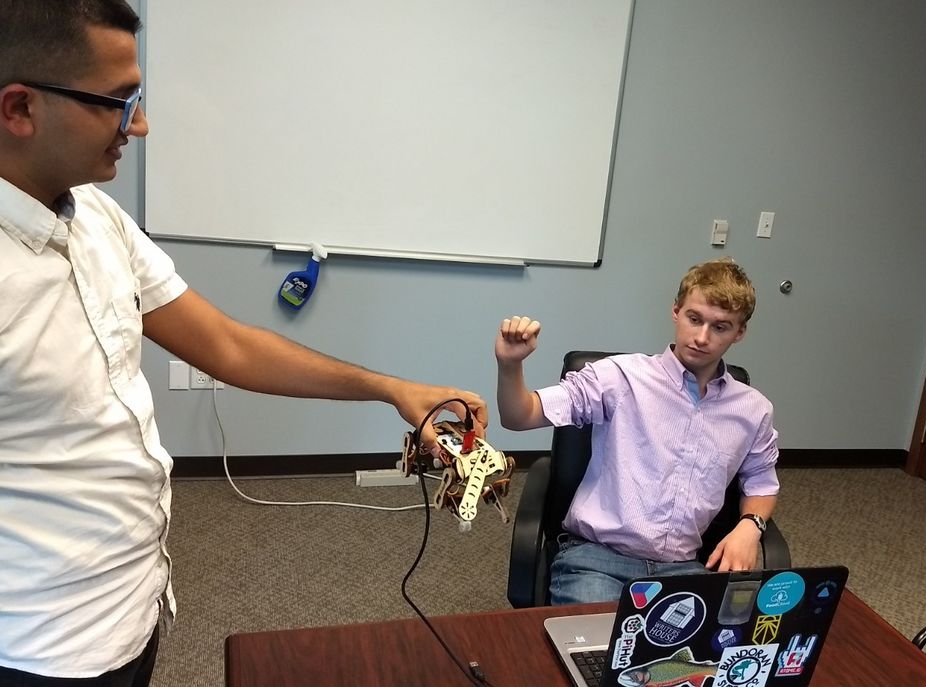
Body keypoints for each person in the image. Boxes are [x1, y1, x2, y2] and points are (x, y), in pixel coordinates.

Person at [0, 1, 487, 683]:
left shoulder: (96, 217)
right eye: (117, 102)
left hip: (131, 602)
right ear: (20, 108)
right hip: (38, 644)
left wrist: (392, 389)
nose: (140, 125)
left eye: (137, 98)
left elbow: (228, 345)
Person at [495, 257, 780, 605]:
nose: (702, 338)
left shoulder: (752, 410)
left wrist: (751, 527)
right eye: (694, 319)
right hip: (596, 560)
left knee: (690, 660)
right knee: (594, 657)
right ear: (676, 311)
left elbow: (761, 483)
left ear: (740, 332)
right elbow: (519, 416)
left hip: (682, 568)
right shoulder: (619, 377)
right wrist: (510, 365)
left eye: (720, 327)